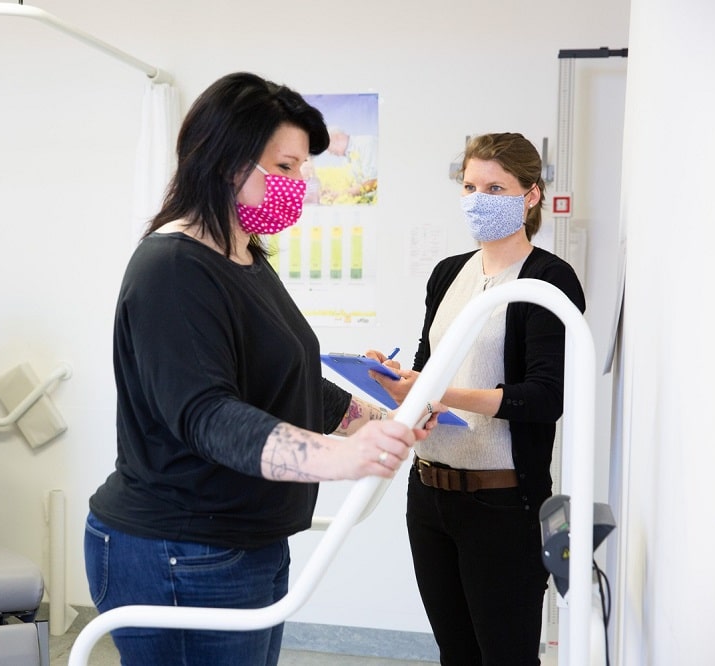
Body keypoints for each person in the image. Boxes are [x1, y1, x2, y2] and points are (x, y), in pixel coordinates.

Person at [83, 72, 431, 666]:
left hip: (247, 541)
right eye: (286, 167)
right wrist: (338, 457)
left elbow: (288, 382)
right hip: (180, 548)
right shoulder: (173, 268)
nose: (301, 184)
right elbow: (209, 415)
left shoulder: (243, 254)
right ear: (226, 163)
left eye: (303, 168)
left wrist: (386, 421)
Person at [368, 132, 586, 665]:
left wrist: (440, 391)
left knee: (506, 656)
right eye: (469, 187)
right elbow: (429, 365)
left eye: (495, 188)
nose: (477, 200)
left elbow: (544, 397)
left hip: (502, 502)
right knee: (456, 654)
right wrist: (401, 380)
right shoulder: (448, 273)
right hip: (429, 494)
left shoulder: (548, 279)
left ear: (531, 195)